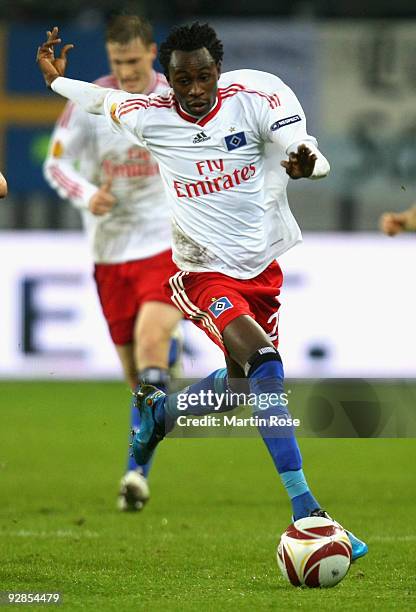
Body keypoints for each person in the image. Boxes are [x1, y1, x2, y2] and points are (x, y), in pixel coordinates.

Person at [37, 22, 367, 560]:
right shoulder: (152, 117)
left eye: (204, 75)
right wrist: (56, 83)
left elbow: (305, 148)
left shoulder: (259, 94)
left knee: (240, 390)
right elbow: (100, 101)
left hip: (262, 271)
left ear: (219, 68)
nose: (194, 89)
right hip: (201, 272)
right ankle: (307, 507)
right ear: (168, 78)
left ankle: (160, 417)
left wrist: (310, 167)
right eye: (182, 79)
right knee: (264, 362)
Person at [42, 16, 182, 512]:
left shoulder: (173, 100)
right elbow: (55, 162)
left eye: (133, 61)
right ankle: (166, 360)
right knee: (136, 378)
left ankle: (135, 474)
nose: (124, 71)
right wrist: (85, 193)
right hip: (109, 252)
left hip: (165, 245)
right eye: (116, 62)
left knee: (150, 345)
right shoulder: (89, 101)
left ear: (152, 52)